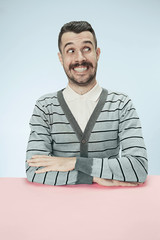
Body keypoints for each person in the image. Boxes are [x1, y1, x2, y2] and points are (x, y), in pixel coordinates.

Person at [25, 21, 148, 187]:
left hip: (111, 206)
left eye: (87, 49)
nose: (80, 58)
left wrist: (74, 163)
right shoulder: (45, 107)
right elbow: (34, 170)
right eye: (70, 50)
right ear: (61, 58)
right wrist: (93, 177)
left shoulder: (121, 104)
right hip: (55, 208)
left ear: (97, 53)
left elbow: (138, 168)